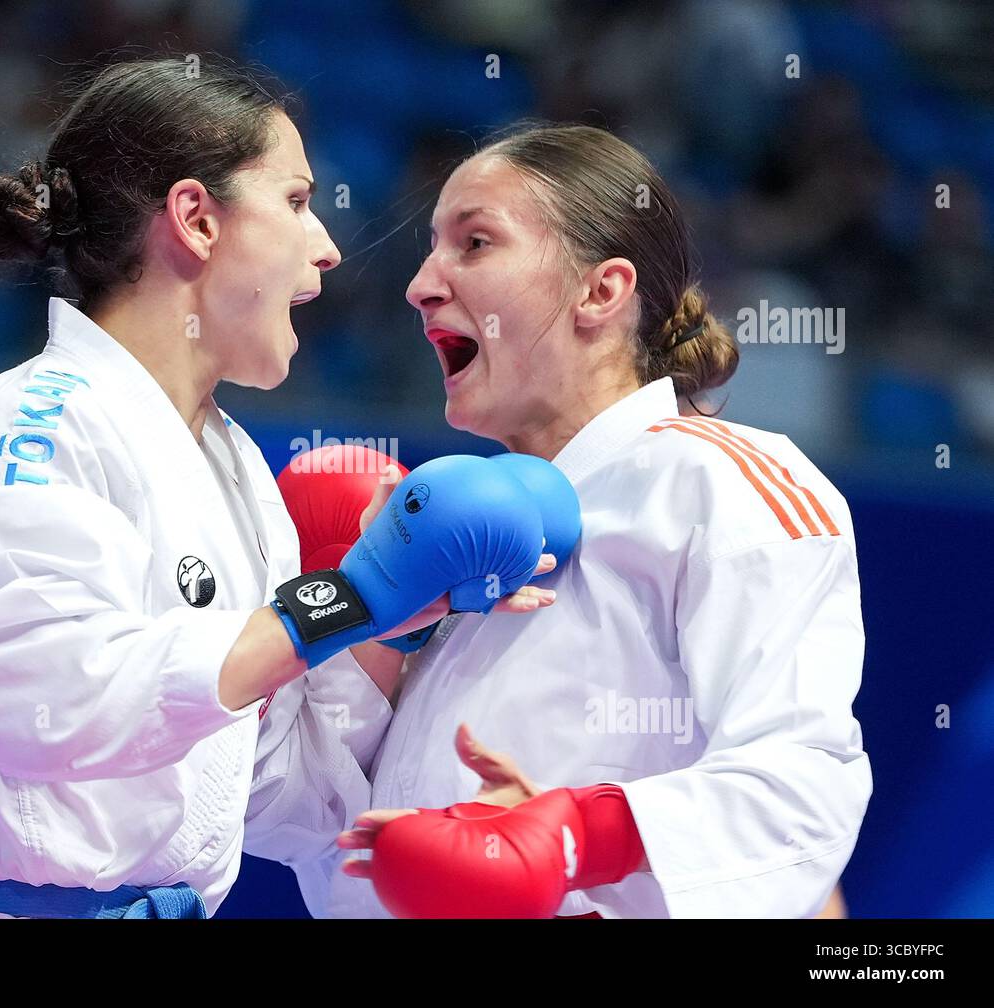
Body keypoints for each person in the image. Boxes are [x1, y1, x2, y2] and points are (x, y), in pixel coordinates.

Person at [0, 57, 555, 919]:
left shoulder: (230, 471)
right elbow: (60, 706)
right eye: (298, 202)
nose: (329, 247)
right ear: (195, 219)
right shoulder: (21, 432)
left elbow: (271, 792)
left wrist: (392, 625)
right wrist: (344, 599)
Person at [275, 123, 872, 918]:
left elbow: (802, 788)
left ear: (601, 291)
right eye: (430, 249)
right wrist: (371, 620)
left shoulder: (718, 482)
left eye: (475, 242)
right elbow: (299, 826)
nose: (421, 284)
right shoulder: (440, 529)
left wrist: (576, 836)